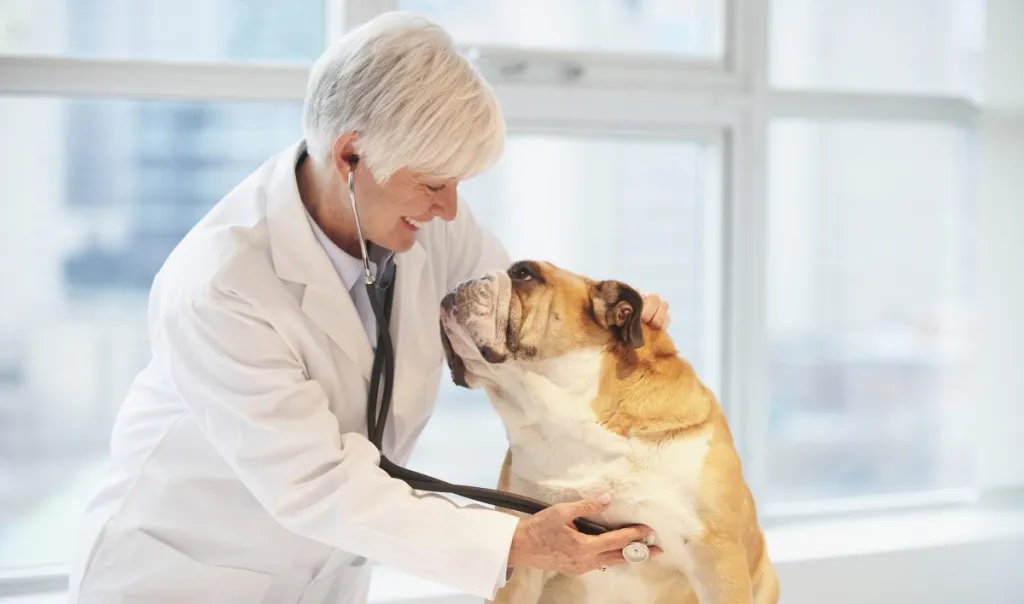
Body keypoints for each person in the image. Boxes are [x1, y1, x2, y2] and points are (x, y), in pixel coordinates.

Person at [66, 11, 671, 604]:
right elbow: (318, 484)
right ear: (351, 156)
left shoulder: (427, 229)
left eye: (459, 184)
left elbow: (518, 323)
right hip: (179, 578)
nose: (450, 211)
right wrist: (515, 540)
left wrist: (610, 326)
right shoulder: (222, 285)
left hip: (324, 578)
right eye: (434, 184)